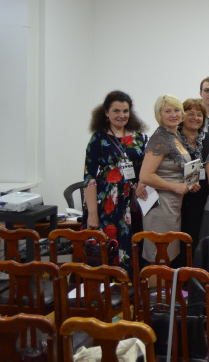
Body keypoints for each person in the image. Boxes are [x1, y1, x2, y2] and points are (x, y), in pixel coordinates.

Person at [83, 91, 148, 277]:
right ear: (106, 113)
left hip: (133, 203)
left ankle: (130, 292)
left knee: (134, 247)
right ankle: (106, 293)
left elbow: (146, 171)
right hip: (106, 203)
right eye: (116, 110)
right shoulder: (98, 139)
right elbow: (89, 177)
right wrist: (93, 214)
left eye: (125, 111)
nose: (121, 115)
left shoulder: (140, 138)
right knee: (108, 249)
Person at [139, 95, 197, 263]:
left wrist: (188, 184)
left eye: (177, 110)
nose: (174, 114)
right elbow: (146, 175)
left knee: (168, 254)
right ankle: (155, 290)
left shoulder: (175, 135)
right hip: (160, 206)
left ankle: (165, 290)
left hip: (173, 205)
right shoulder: (160, 138)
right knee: (158, 257)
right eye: (168, 111)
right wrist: (174, 187)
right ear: (160, 115)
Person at [173, 98, 209, 268]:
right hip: (178, 196)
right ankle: (180, 275)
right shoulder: (173, 138)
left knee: (199, 236)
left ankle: (196, 274)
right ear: (182, 116)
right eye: (190, 113)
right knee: (180, 237)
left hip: (203, 196)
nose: (195, 117)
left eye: (199, 114)